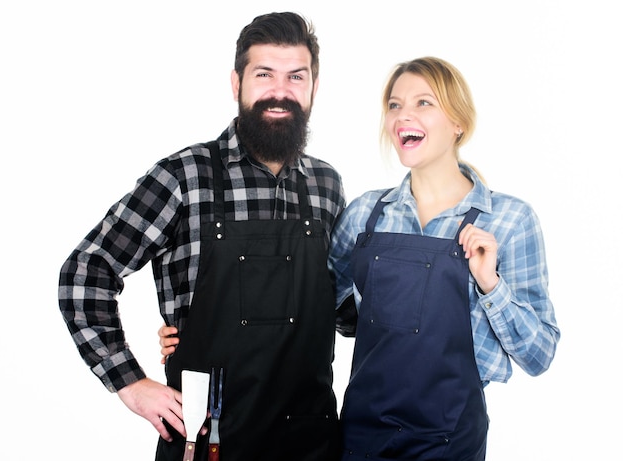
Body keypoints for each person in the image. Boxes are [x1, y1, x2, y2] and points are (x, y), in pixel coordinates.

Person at [58, 12, 345, 461]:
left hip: (308, 442)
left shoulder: (326, 186)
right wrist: (131, 384)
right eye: (264, 74)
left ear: (313, 88)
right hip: (208, 441)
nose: (280, 91)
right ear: (237, 83)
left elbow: (342, 309)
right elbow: (85, 273)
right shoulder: (185, 176)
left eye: (296, 76)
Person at [327, 56, 560, 460]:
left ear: (458, 123)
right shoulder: (365, 214)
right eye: (395, 105)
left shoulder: (509, 220)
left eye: (423, 103)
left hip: (449, 442)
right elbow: (317, 305)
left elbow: (539, 356)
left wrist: (492, 284)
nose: (403, 116)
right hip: (361, 438)